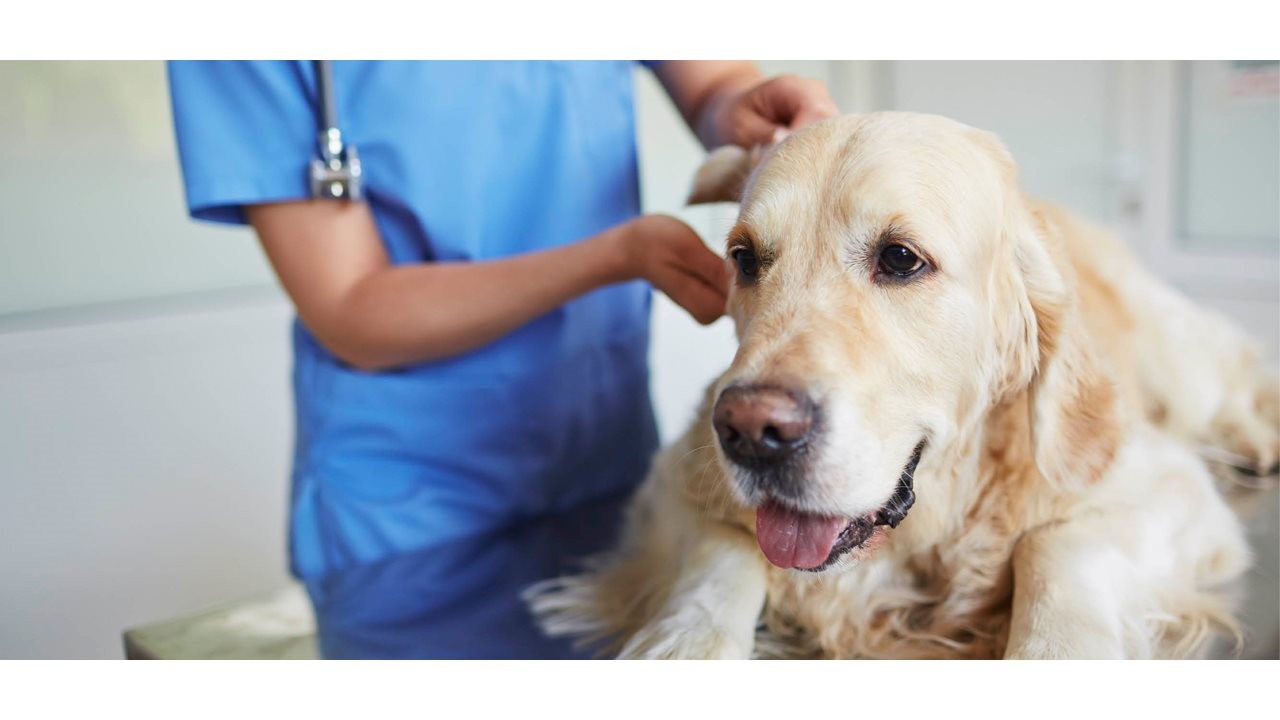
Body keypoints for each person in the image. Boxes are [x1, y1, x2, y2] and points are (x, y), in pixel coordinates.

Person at [168, 61, 837, 579]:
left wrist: (738, 106)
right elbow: (349, 305)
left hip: (605, 454)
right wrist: (616, 255)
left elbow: (714, 83)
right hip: (408, 503)